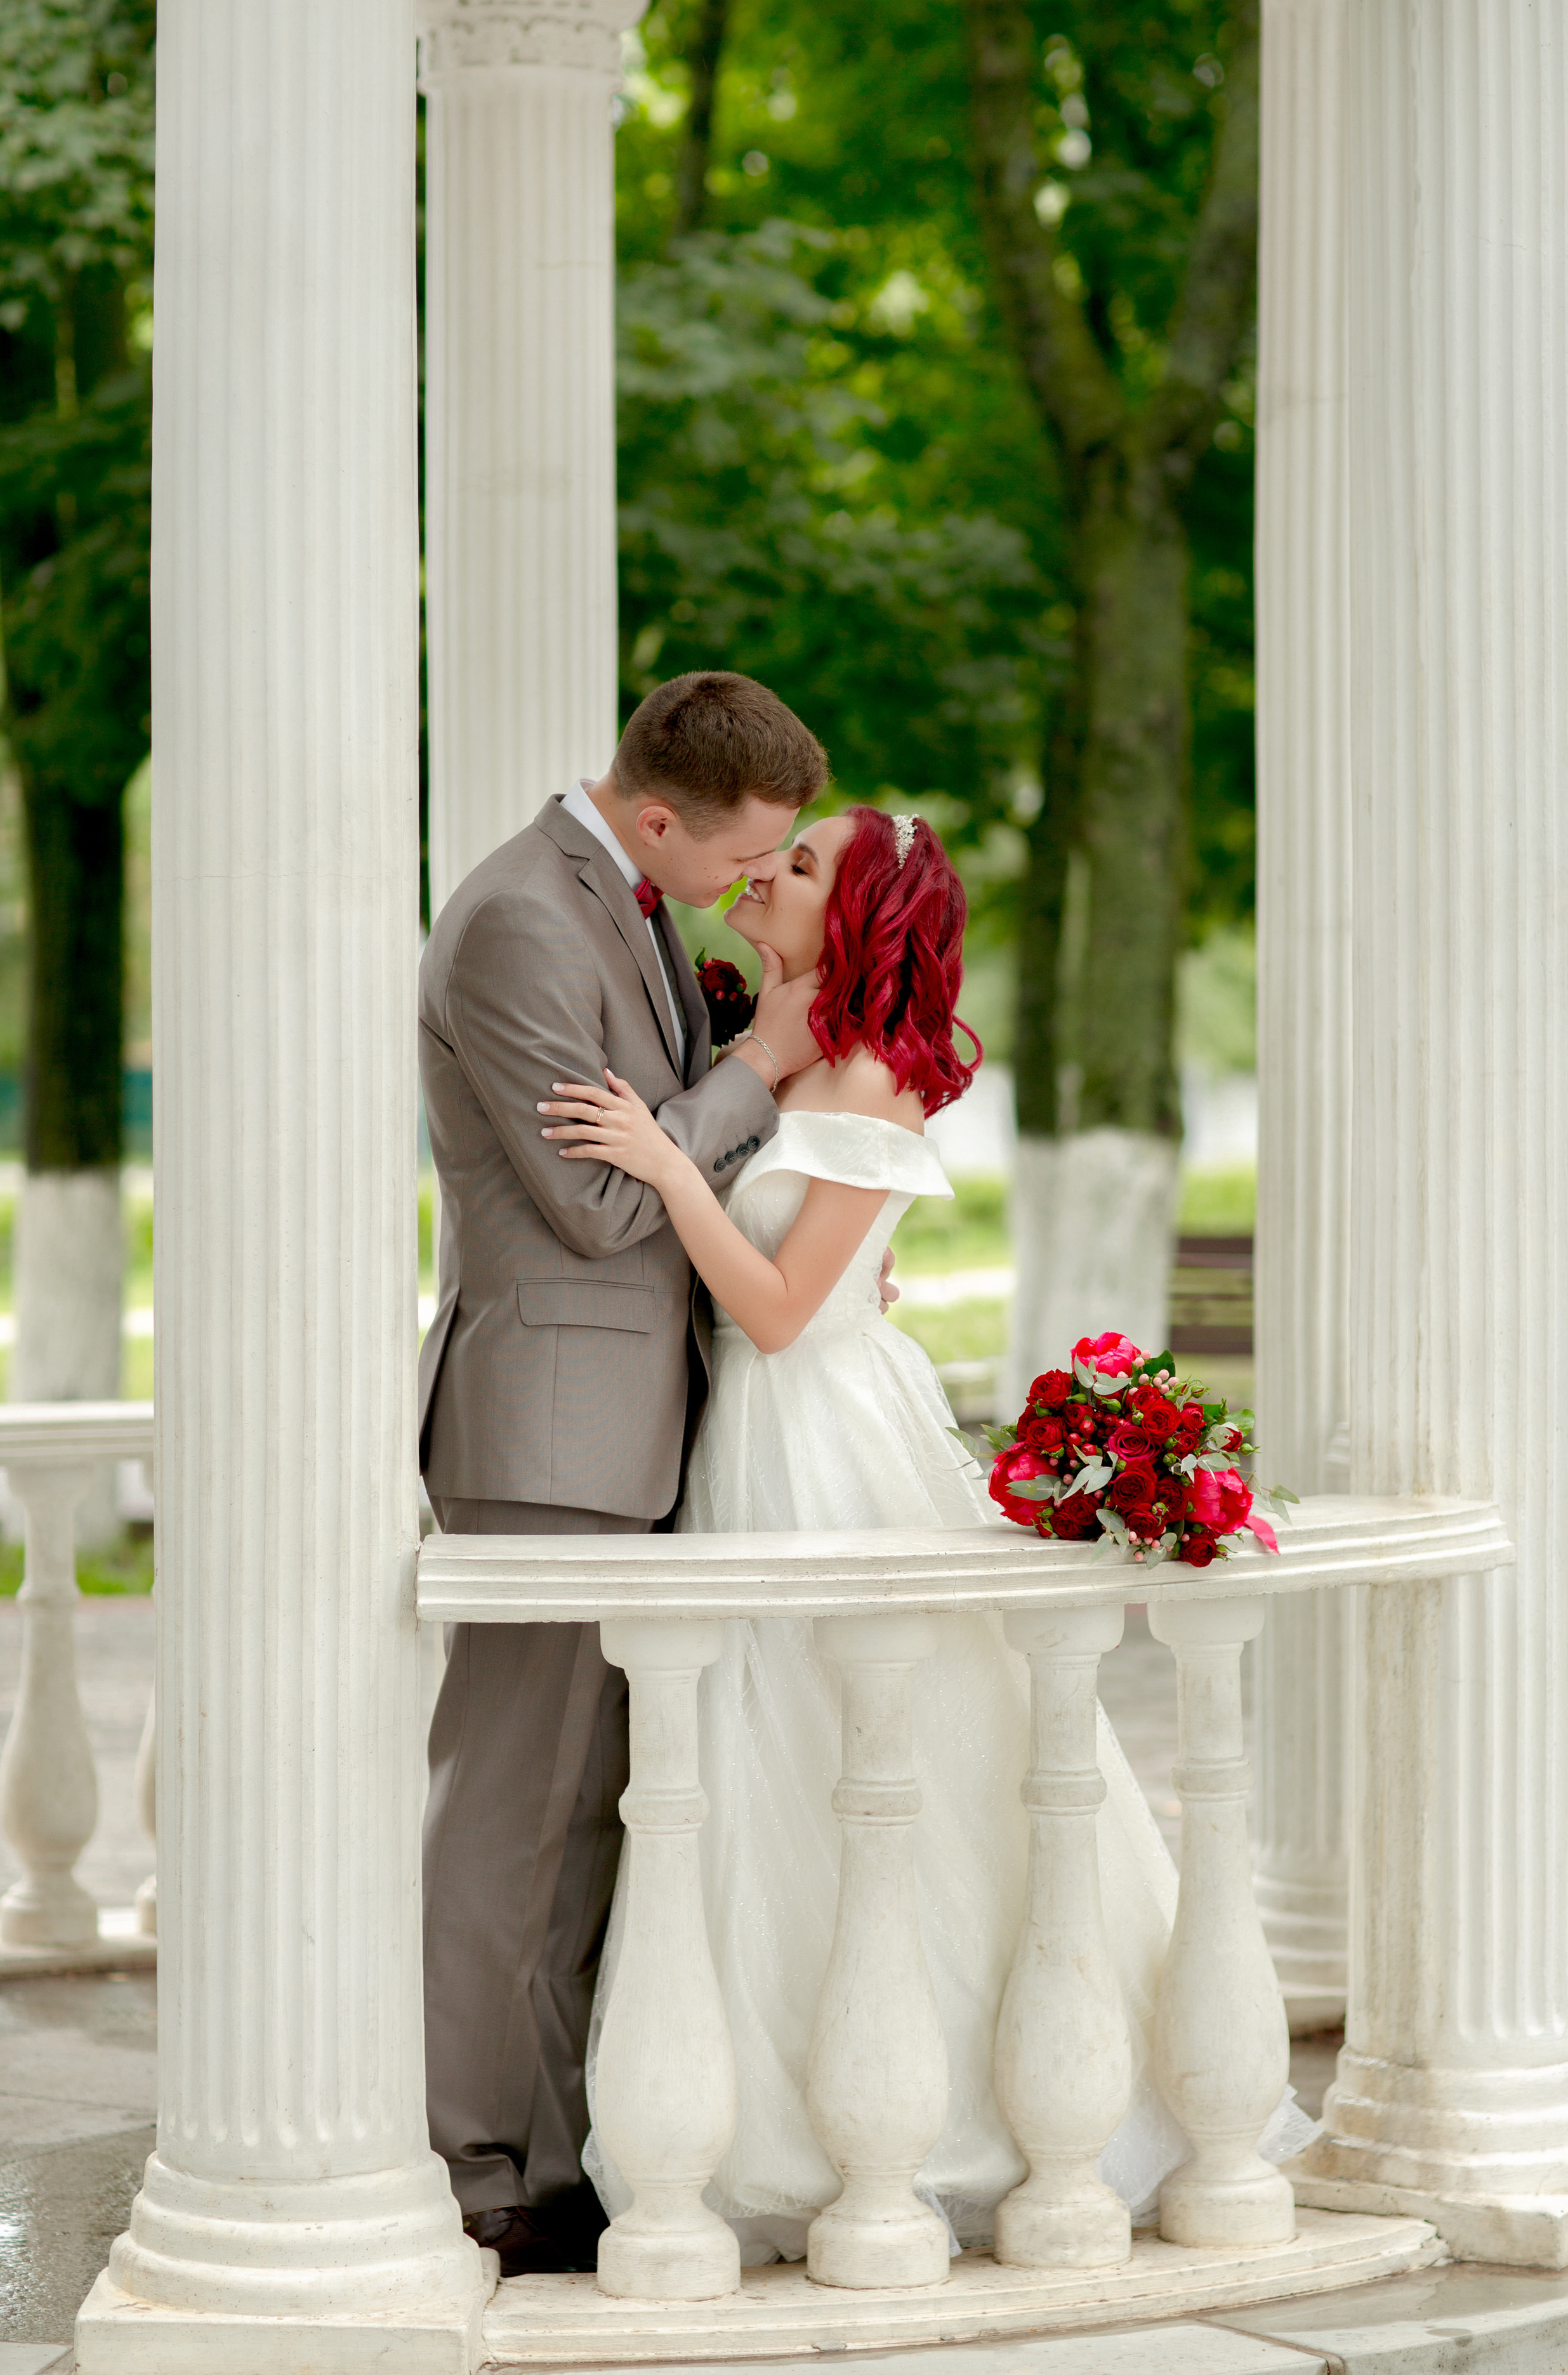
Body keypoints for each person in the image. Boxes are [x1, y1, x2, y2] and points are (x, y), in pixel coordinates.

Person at [542, 803, 1311, 2256]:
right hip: (750, 1438)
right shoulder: (772, 1051)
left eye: (803, 864)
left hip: (822, 1437)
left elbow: (782, 1314)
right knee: (760, 1771)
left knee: (880, 1757)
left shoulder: (873, 1078)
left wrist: (661, 1162)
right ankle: (765, 2122)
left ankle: (965, 2112)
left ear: (855, 918)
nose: (768, 872)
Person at [418, 670, 874, 2277]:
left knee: (588, 1821)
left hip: (630, 1429)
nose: (755, 882)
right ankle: (471, 2164)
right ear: (659, 816)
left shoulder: (621, 901)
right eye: (744, 852)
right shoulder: (519, 923)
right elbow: (601, 1206)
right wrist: (763, 1058)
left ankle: (557, 2151)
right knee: (512, 1814)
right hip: (547, 1434)